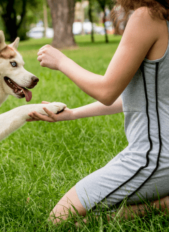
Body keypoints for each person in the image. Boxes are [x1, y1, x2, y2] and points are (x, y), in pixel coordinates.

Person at [28, 0, 169, 224]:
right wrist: (73, 113)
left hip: (153, 157)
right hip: (160, 154)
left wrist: (61, 61)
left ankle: (160, 205)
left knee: (59, 219)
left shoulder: (147, 17)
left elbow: (107, 91)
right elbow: (142, 97)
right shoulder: (162, 16)